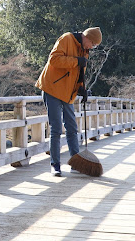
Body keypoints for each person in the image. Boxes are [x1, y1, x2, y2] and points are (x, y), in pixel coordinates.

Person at [35, 27, 102, 176]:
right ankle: (55, 165)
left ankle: (75, 163)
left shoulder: (85, 51)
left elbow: (79, 74)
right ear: (86, 37)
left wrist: (82, 89)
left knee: (72, 128)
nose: (91, 47)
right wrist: (76, 61)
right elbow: (53, 59)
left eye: (94, 46)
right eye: (92, 43)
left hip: (67, 93)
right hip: (52, 88)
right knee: (56, 129)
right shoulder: (66, 39)